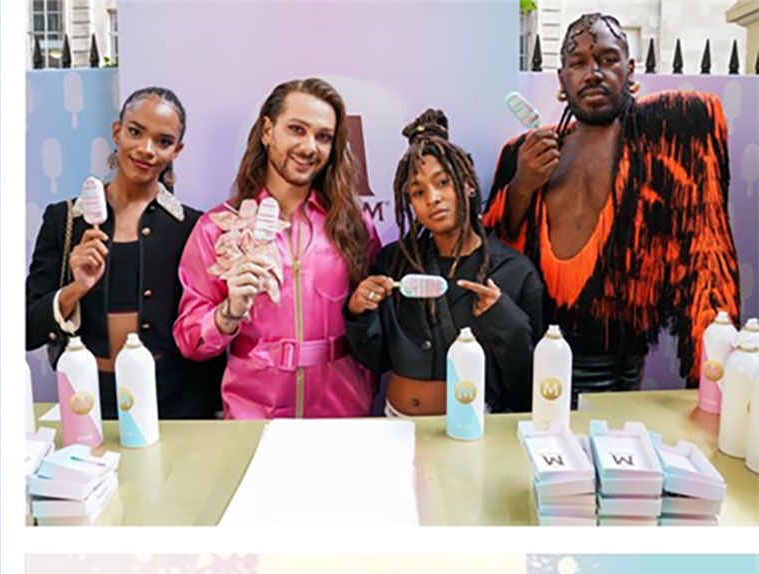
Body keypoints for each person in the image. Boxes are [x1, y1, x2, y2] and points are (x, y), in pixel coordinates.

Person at [485, 11, 738, 394]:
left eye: (607, 60)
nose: (593, 73)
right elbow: (494, 252)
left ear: (630, 69)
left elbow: (707, 259)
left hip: (615, 367)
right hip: (529, 355)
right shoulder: (524, 153)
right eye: (578, 63)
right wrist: (523, 184)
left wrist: (714, 387)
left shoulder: (667, 138)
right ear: (561, 78)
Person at [173, 78, 380, 419]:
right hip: (253, 416)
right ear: (267, 131)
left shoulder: (354, 226)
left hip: (342, 416)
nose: (309, 147)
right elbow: (189, 340)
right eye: (296, 130)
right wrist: (228, 313)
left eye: (323, 136)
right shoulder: (217, 227)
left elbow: (374, 327)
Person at [24, 86, 225, 419]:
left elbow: (203, 328)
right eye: (135, 132)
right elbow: (29, 329)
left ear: (177, 150)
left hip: (177, 401)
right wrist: (75, 290)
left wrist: (217, 410)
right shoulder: (64, 221)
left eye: (163, 141)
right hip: (90, 402)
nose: (146, 150)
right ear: (117, 132)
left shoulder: (194, 226)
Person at [348, 109, 546, 416]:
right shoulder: (392, 263)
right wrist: (360, 312)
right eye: (418, 191)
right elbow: (377, 359)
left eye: (443, 183)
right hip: (396, 423)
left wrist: (503, 317)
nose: (433, 198)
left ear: (467, 184)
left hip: (471, 426)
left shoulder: (514, 272)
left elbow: (524, 383)